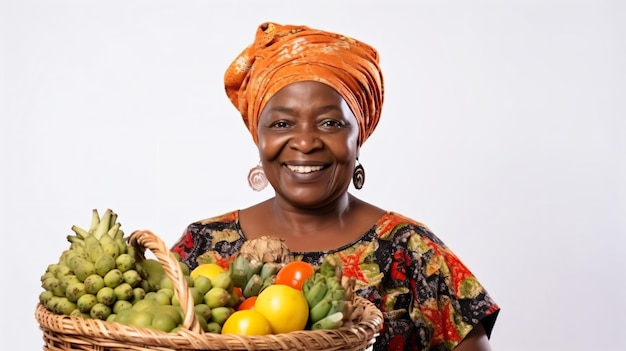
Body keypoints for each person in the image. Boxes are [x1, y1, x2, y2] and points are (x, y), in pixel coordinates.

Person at [172, 22, 500, 351]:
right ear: (259, 138)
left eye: (331, 123)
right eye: (282, 123)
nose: (304, 142)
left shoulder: (411, 251)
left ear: (358, 139)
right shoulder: (202, 246)